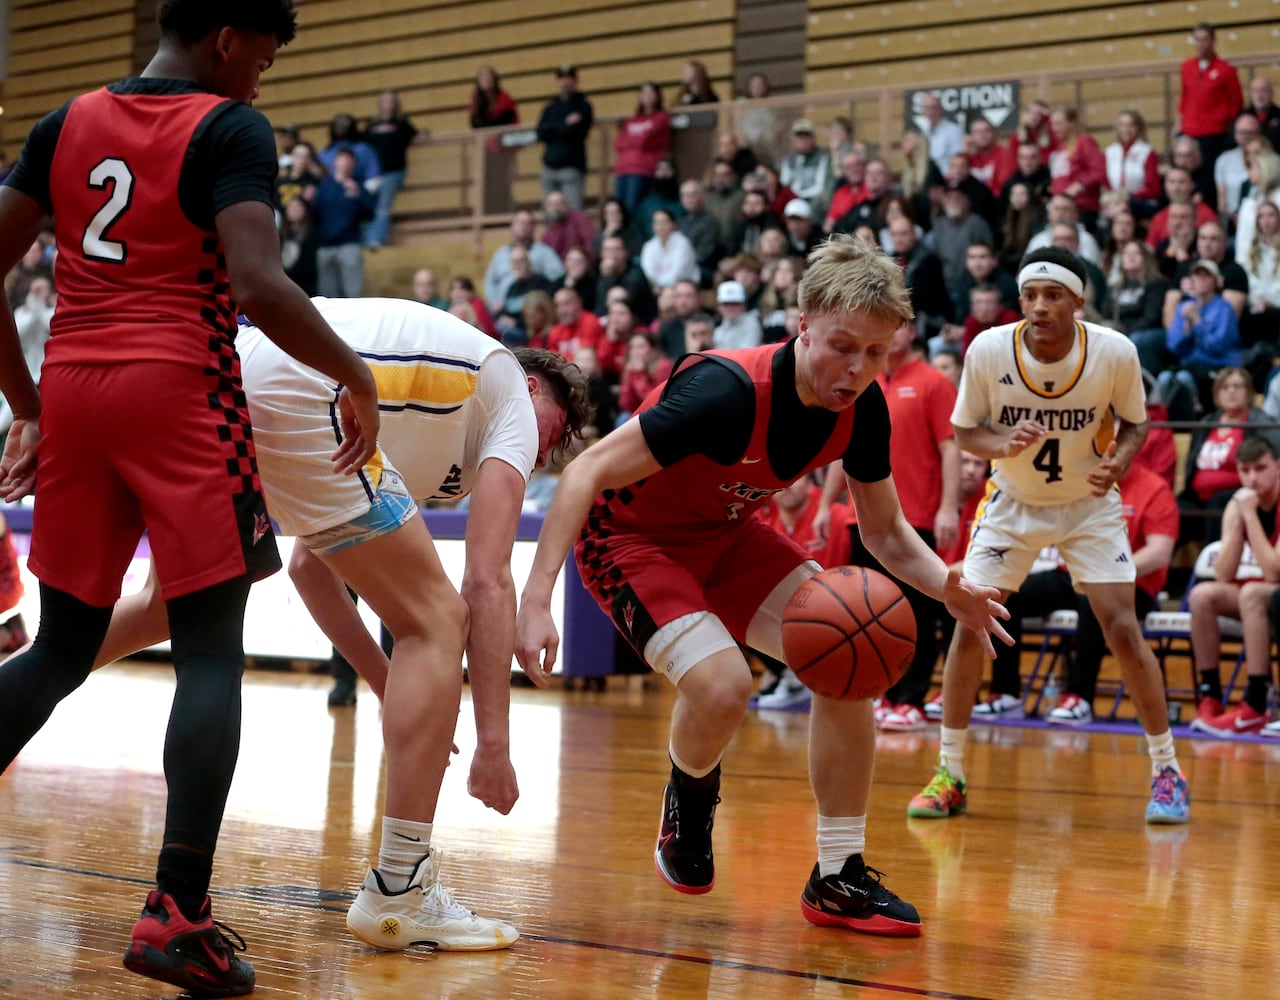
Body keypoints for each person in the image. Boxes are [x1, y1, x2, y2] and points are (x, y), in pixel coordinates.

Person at [0, 2, 382, 995]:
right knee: (211, 647)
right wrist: (357, 375)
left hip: (78, 392)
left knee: (58, 649)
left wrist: (28, 403)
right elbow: (255, 284)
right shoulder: (229, 125)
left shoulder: (65, 119)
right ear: (226, 40)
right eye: (261, 54)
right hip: (179, 393)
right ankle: (178, 911)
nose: (262, 75)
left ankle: (182, 908)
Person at [514, 234, 1009, 937]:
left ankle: (837, 874)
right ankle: (690, 792)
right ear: (801, 324)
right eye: (843, 345)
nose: (858, 368)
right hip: (630, 538)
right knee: (723, 686)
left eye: (876, 353)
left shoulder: (864, 407)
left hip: (730, 533)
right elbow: (587, 471)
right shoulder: (725, 390)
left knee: (848, 663)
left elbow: (887, 533)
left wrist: (945, 585)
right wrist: (535, 600)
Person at [90, 297, 591, 954]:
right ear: (533, 388)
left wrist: (389, 682)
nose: (544, 455)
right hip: (305, 385)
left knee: (165, 604)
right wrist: (492, 745)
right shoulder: (510, 401)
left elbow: (309, 568)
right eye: (554, 435)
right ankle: (401, 886)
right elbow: (487, 580)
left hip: (217, 379)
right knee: (440, 621)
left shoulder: (419, 424)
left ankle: (22, 686)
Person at [907, 247, 1191, 826]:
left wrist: (1121, 461)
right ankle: (949, 772)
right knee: (971, 618)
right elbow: (966, 432)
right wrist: (1002, 445)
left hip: (1089, 504)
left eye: (1053, 295)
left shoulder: (1114, 351)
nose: (1039, 306)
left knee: (1122, 627)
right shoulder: (989, 349)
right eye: (1030, 296)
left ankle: (1168, 770)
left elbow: (1138, 423)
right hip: (1012, 502)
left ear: (1077, 302)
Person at [846, 321, 959, 732]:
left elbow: (951, 449)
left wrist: (948, 506)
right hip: (865, 517)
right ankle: (886, 694)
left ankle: (910, 697)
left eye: (902, 324)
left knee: (918, 615)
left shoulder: (933, 382)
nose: (893, 332)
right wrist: (829, 506)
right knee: (873, 615)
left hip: (917, 518)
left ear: (914, 331)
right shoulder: (865, 380)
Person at [1186, 436, 1280, 736]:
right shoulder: (1237, 504)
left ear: (1277, 467)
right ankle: (1210, 695)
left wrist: (1250, 515)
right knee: (1201, 595)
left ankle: (1255, 701)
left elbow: (1274, 572)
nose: (1252, 478)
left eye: (1261, 468)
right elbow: (1224, 574)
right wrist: (1239, 521)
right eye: (1245, 470)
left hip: (1272, 594)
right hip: (1258, 596)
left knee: (1252, 593)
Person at [1178, 368, 1280, 544]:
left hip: (1240, 495)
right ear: (1217, 393)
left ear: (1248, 391)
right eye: (1225, 387)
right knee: (1172, 508)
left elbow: (1272, 460)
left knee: (1218, 502)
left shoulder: (1262, 423)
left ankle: (1212, 564)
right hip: (1198, 499)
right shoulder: (1207, 423)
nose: (1231, 391)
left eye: (1237, 386)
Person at [360, 89, 423, 249]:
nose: (388, 104)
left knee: (383, 204)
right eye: (385, 101)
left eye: (391, 101)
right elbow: (362, 143)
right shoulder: (372, 125)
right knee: (367, 204)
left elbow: (415, 135)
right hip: (374, 173)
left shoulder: (401, 123)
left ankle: (375, 238)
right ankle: (366, 236)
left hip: (393, 171)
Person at [1178, 22, 1244, 170]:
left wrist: (1223, 121)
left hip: (1214, 133)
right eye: (1197, 39)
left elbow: (1236, 102)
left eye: (1205, 39)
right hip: (1189, 130)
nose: (1201, 44)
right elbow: (1184, 96)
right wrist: (1180, 122)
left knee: (1211, 172)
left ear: (1213, 40)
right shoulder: (1187, 67)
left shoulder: (1226, 69)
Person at [537, 65, 594, 210]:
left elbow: (580, 132)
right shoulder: (550, 107)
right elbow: (540, 133)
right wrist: (565, 125)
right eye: (562, 79)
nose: (565, 82)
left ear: (575, 81)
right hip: (549, 166)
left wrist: (554, 128)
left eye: (568, 78)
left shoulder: (583, 105)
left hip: (572, 167)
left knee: (573, 212)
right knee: (550, 214)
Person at [613, 82, 672, 218]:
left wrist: (631, 142)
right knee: (618, 210)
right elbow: (618, 144)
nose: (647, 96)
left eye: (650, 92)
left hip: (643, 169)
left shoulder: (661, 117)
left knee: (632, 209)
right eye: (644, 92)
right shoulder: (631, 120)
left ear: (658, 96)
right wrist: (635, 141)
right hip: (622, 169)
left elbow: (645, 141)